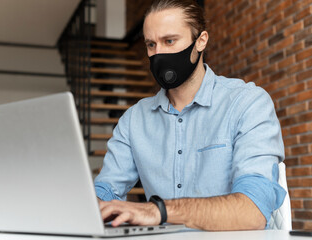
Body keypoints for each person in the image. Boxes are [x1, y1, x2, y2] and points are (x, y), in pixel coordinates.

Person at [94, 0, 286, 231]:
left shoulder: (247, 103)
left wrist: (159, 211)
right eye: (151, 44)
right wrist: (89, 203)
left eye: (170, 41)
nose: (159, 54)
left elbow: (253, 210)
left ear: (201, 41)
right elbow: (105, 190)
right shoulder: (133, 120)